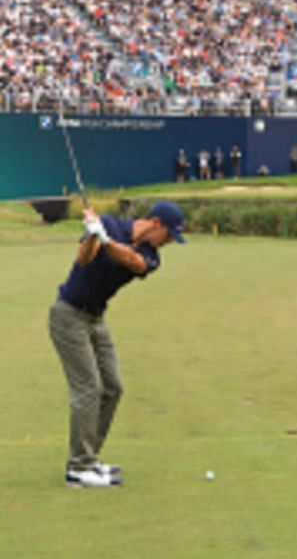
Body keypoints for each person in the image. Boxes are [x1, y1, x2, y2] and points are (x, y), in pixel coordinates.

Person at [49, 199, 186, 489]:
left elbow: (132, 261)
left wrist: (105, 239)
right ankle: (79, 468)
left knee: (113, 387)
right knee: (89, 388)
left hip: (95, 319)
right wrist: (92, 233)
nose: (169, 243)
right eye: (170, 236)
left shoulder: (150, 255)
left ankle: (89, 457)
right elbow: (84, 259)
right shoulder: (110, 224)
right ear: (156, 223)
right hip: (68, 316)